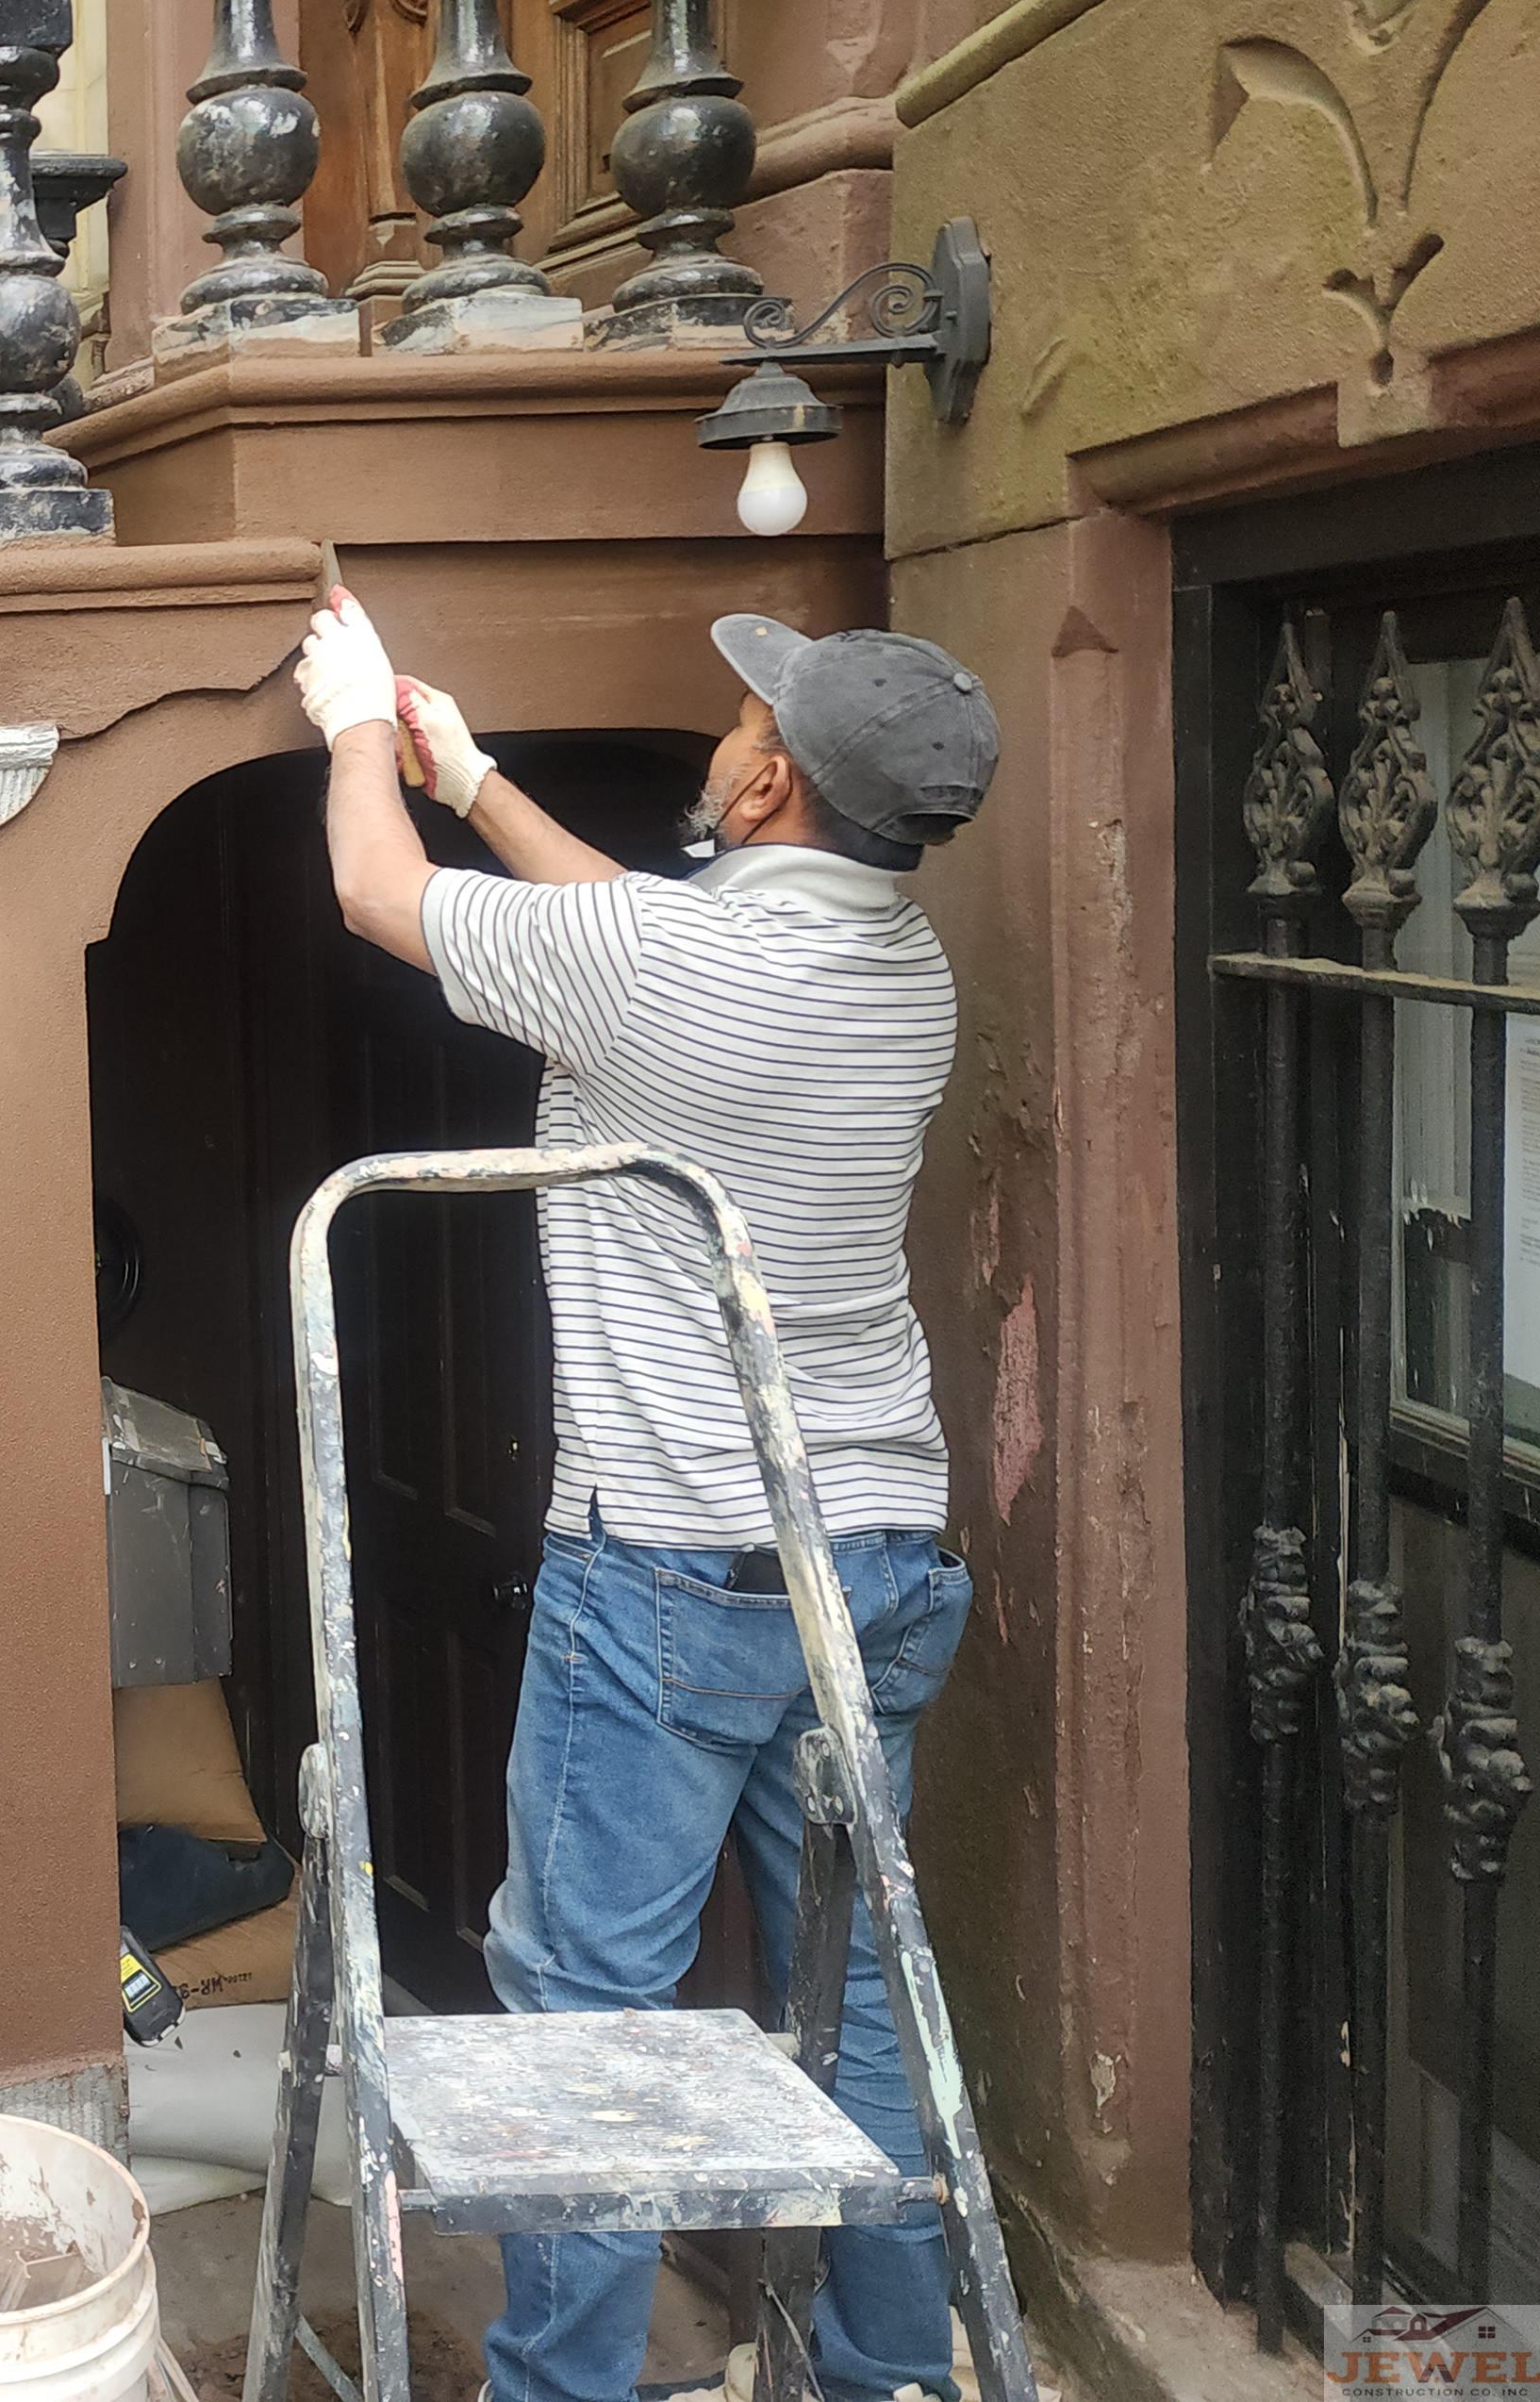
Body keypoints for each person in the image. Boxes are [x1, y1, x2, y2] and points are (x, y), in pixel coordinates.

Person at [293, 588, 999, 2402]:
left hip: (672, 1569)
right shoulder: (903, 968)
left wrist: (356, 723)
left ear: (770, 788)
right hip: (874, 1557)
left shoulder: (670, 966)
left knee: (586, 2021)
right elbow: (638, 935)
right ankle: (889, 2377)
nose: (732, 728)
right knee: (857, 1998)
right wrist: (479, 783)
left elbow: (376, 894)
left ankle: (564, 2390)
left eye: (753, 723)